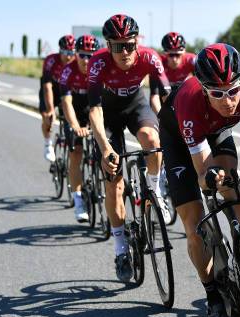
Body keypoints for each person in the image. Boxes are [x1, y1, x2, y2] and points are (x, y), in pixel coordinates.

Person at [159, 43, 240, 317]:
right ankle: (212, 295)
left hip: (216, 130)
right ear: (205, 89)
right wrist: (210, 179)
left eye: (232, 91)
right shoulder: (189, 99)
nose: (228, 100)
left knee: (230, 181)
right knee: (195, 226)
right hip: (180, 139)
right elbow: (202, 173)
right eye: (217, 94)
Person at [88, 14, 171, 282]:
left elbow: (166, 97)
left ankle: (155, 190)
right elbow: (94, 110)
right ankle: (121, 248)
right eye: (117, 46)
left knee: (152, 140)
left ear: (137, 42)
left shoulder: (149, 57)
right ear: (107, 45)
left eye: (129, 45)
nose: (124, 51)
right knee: (114, 181)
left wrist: (174, 128)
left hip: (136, 106)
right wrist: (104, 149)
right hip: (108, 115)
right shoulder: (98, 62)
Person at [59, 35, 100, 222]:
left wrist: (97, 124)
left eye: (90, 56)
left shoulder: (100, 70)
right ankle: (78, 201)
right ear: (75, 55)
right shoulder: (68, 71)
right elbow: (66, 102)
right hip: (74, 111)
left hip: (93, 108)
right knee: (76, 152)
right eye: (82, 55)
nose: (86, 60)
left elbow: (105, 101)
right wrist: (75, 126)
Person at [40, 35, 76, 162]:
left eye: (71, 52)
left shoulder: (77, 61)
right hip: (52, 87)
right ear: (60, 50)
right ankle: (47, 144)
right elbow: (47, 87)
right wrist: (50, 109)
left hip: (67, 88)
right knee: (48, 116)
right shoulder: (51, 61)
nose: (68, 56)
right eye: (65, 52)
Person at [149, 32, 196, 113]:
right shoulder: (158, 62)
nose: (174, 59)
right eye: (171, 55)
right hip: (162, 95)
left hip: (181, 95)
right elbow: (154, 96)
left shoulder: (191, 60)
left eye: (177, 55)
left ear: (184, 52)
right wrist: (161, 118)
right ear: (165, 53)